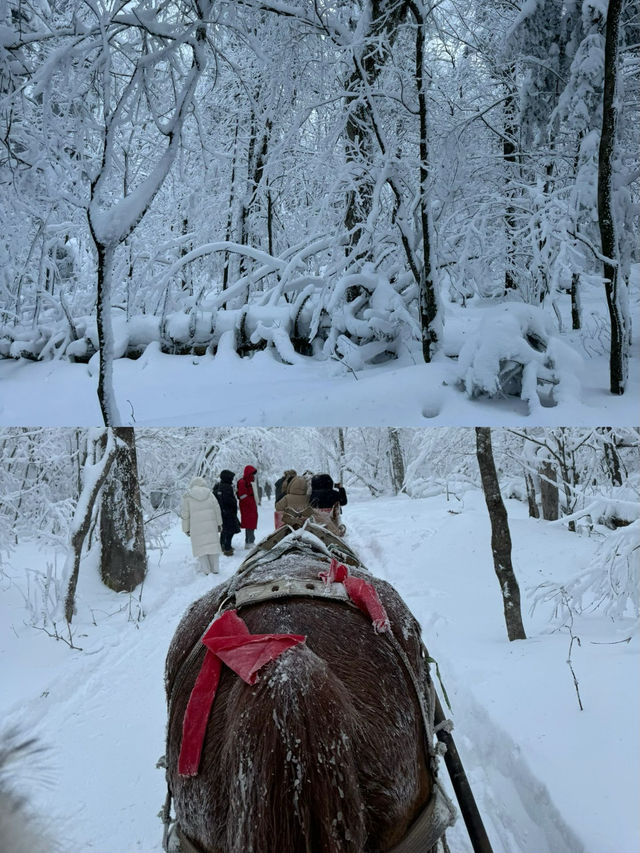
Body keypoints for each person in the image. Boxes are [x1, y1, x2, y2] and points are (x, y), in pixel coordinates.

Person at [181, 476, 223, 574]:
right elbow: (217, 510)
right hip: (211, 526)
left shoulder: (188, 496)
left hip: (196, 528)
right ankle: (216, 569)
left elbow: (185, 515)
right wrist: (219, 524)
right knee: (213, 547)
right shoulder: (210, 494)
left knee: (201, 549)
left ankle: (206, 571)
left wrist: (186, 529)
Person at [213, 469, 241, 556]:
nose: (232, 480)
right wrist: (233, 504)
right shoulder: (226, 487)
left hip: (223, 513)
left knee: (224, 530)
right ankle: (227, 548)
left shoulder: (219, 486)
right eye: (231, 478)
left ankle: (222, 545)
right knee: (230, 531)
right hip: (228, 513)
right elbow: (228, 500)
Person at [237, 465, 259, 548]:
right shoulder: (243, 482)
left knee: (251, 523)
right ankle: (250, 542)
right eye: (252, 474)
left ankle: (249, 541)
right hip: (247, 507)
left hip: (251, 506)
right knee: (249, 524)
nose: (253, 475)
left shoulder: (250, 482)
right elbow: (242, 495)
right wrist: (250, 502)